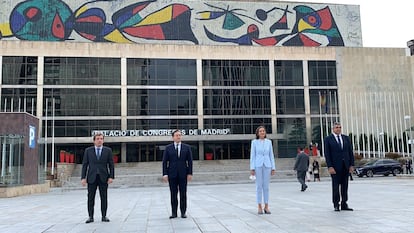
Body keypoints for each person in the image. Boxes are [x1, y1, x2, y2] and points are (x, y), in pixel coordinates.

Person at [81, 133, 115, 223]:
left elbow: (111, 165)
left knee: (104, 197)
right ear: (94, 141)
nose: (99, 140)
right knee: (90, 198)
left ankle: (104, 216)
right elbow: (85, 164)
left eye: (101, 138)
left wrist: (111, 176)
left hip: (104, 177)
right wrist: (83, 177)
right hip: (91, 177)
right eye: (97, 139)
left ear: (103, 140)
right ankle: (90, 217)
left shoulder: (108, 150)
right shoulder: (88, 151)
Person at [162, 130, 193, 219]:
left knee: (183, 194)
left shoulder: (187, 147)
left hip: (183, 174)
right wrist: (165, 174)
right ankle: (174, 213)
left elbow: (190, 161)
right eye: (177, 135)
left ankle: (183, 212)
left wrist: (190, 173)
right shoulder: (168, 148)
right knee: (173, 194)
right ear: (173, 137)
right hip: (172, 174)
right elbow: (164, 162)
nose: (178, 137)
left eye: (180, 135)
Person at [324, 122, 355, 212]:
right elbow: (327, 154)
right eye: (336, 127)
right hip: (335, 167)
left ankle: (344, 203)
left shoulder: (345, 138)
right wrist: (330, 166)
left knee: (345, 186)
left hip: (345, 166)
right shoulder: (328, 139)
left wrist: (351, 165)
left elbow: (350, 152)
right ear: (333, 129)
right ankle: (336, 204)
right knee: (336, 186)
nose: (338, 129)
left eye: (339, 127)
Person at [250, 126, 276, 214]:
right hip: (258, 165)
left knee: (266, 187)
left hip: (267, 165)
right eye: (260, 131)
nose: (262, 132)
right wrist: (252, 168)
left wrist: (273, 167)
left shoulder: (269, 142)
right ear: (257, 133)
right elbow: (252, 156)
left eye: (263, 131)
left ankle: (267, 206)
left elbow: (271, 155)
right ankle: (259, 206)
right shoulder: (254, 142)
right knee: (259, 186)